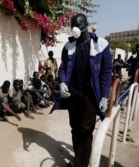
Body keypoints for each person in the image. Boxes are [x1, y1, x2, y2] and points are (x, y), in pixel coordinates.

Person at [57, 14, 112, 167]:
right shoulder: (68, 46)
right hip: (73, 95)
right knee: (75, 129)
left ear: (86, 25)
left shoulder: (101, 44)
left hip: (90, 96)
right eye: (73, 25)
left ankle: (81, 164)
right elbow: (63, 67)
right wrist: (62, 83)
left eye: (79, 25)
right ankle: (78, 161)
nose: (76, 28)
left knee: (85, 131)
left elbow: (106, 72)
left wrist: (105, 96)